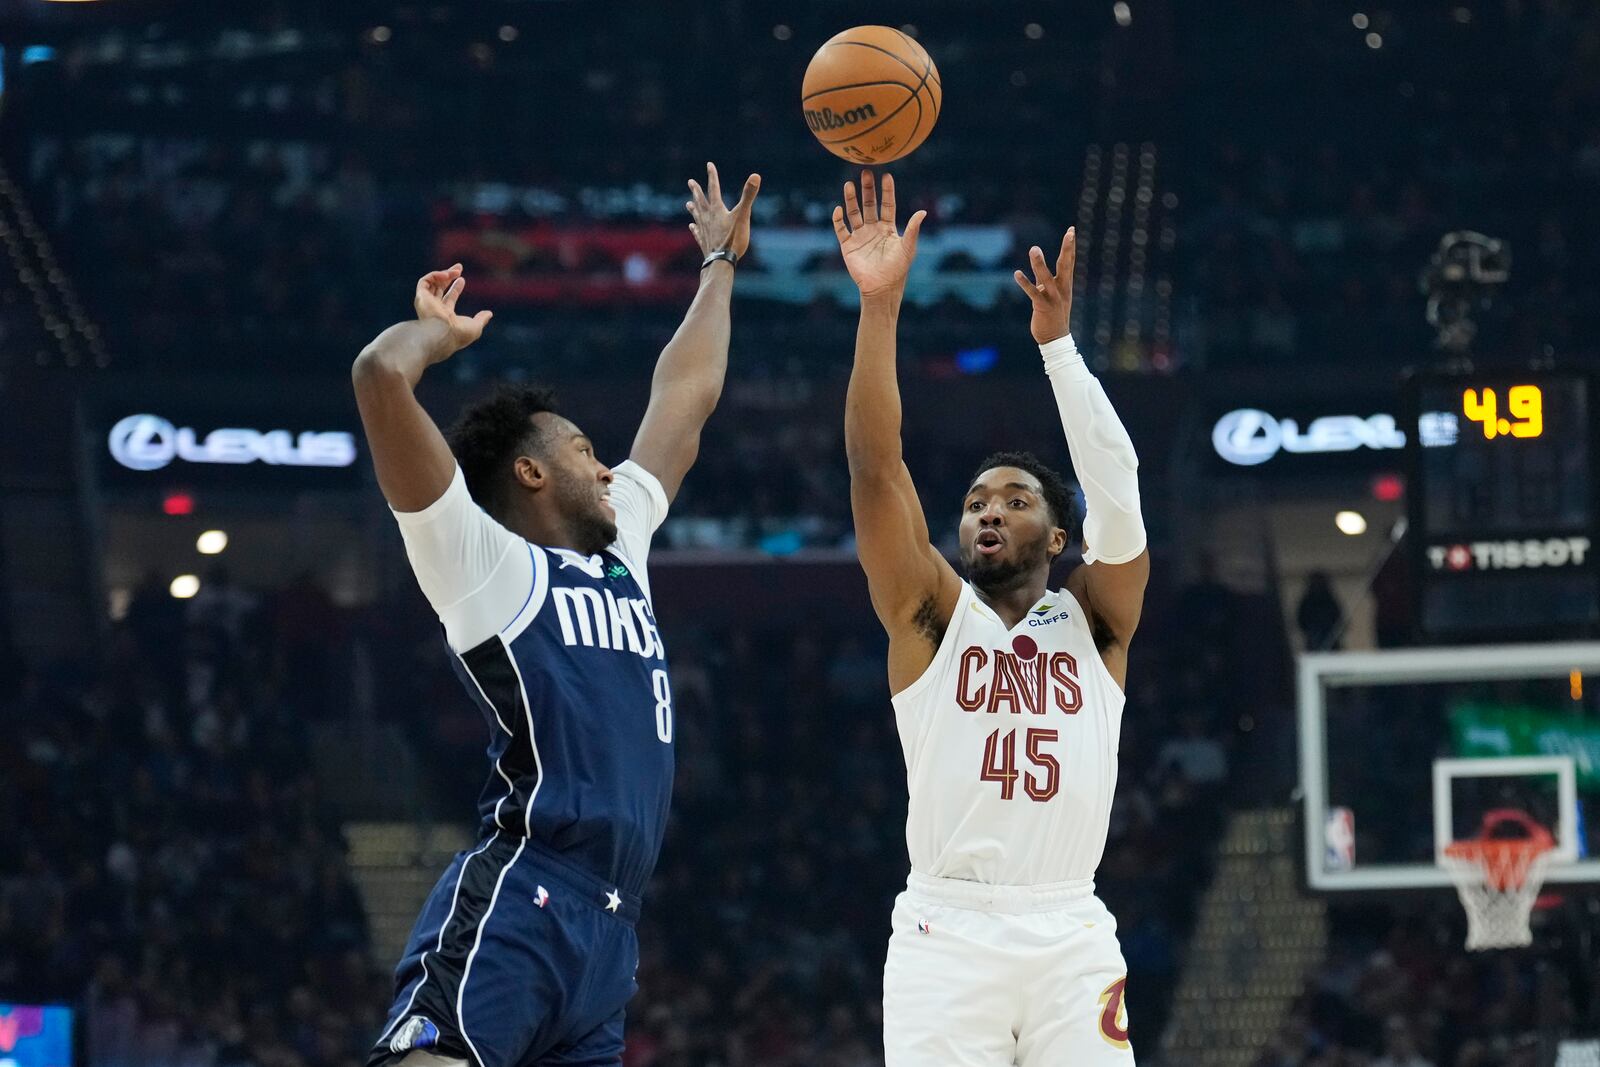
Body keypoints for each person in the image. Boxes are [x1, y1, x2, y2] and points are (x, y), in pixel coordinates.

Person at [352, 163, 759, 1067]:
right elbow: (379, 377)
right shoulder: (486, 563)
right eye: (584, 449)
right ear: (529, 473)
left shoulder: (624, 549)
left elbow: (682, 403)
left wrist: (720, 265)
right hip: (525, 893)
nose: (610, 467)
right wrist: (427, 337)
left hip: (613, 933)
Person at [832, 169, 1150, 1065]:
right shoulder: (930, 615)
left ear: (1057, 535)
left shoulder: (1095, 622)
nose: (987, 511)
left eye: (1013, 499)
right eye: (975, 500)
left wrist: (1059, 349)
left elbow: (1121, 496)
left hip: (1070, 926)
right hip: (949, 927)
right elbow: (873, 467)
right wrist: (881, 306)